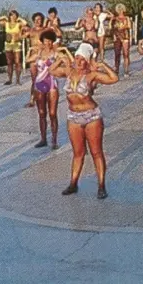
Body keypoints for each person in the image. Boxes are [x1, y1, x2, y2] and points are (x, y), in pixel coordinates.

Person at [49, 43, 118, 199]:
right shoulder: (68, 72)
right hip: (73, 116)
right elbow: (51, 71)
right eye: (77, 58)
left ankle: (101, 185)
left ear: (87, 61)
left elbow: (114, 78)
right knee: (78, 153)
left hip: (91, 116)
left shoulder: (91, 75)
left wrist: (101, 65)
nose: (79, 61)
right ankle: (73, 183)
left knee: (96, 152)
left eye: (82, 59)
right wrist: (60, 59)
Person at [26, 30, 70, 150]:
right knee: (41, 113)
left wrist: (65, 52)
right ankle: (43, 138)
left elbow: (68, 62)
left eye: (50, 41)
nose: (48, 43)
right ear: (43, 42)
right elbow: (26, 61)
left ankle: (54, 139)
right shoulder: (39, 54)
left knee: (52, 113)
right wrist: (30, 51)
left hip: (51, 84)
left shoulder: (56, 54)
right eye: (46, 41)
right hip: (39, 84)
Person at [0, 11, 27, 85]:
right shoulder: (6, 23)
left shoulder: (18, 24)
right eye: (11, 15)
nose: (13, 17)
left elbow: (25, 23)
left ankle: (18, 80)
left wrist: (19, 18)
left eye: (15, 15)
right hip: (8, 44)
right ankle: (10, 79)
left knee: (17, 62)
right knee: (9, 63)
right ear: (9, 16)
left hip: (16, 44)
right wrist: (3, 17)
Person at [24, 13, 48, 107]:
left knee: (44, 77)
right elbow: (20, 36)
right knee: (34, 79)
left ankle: (44, 96)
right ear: (33, 21)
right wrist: (23, 27)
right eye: (36, 20)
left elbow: (56, 35)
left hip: (42, 55)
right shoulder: (31, 31)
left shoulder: (45, 30)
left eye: (40, 19)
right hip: (34, 57)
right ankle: (32, 99)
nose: (38, 21)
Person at [111, 3, 132, 77]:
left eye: (121, 9)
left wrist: (122, 26)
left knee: (126, 54)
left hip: (125, 36)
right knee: (117, 54)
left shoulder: (127, 18)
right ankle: (116, 69)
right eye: (119, 10)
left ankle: (126, 70)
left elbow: (129, 26)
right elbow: (112, 28)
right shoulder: (115, 18)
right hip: (117, 36)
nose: (120, 11)